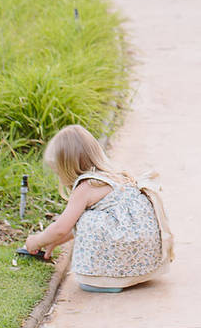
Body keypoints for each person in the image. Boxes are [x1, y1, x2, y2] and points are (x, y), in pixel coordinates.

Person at [17, 124, 167, 292]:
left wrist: (36, 241)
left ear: (67, 167)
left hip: (120, 264)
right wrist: (53, 242)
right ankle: (126, 275)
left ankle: (104, 278)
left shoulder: (86, 186)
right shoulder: (116, 177)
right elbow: (73, 227)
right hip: (145, 264)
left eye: (58, 172)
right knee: (89, 218)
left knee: (89, 219)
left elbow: (61, 227)